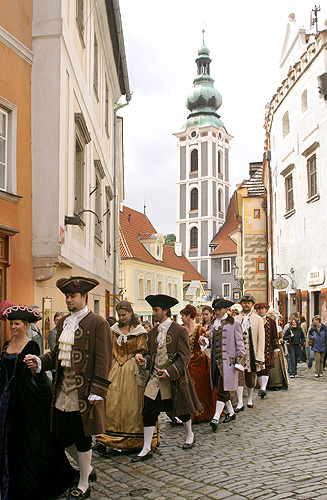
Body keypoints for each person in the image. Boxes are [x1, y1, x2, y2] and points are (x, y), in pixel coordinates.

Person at [24, 276, 112, 500]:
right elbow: (57, 355)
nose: (68, 300)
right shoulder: (63, 322)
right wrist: (41, 360)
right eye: (66, 296)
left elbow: (104, 358)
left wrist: (98, 390)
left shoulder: (97, 323)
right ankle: (88, 469)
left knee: (82, 436)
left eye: (72, 296)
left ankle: (84, 483)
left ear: (84, 297)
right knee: (62, 435)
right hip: (63, 390)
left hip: (85, 391)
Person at [0, 302, 76, 500]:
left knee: (29, 443)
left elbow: (35, 374)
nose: (13, 327)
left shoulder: (31, 345)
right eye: (11, 325)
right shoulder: (6, 345)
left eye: (17, 324)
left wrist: (34, 365)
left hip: (25, 400)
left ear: (26, 325)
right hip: (6, 399)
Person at [132, 294, 200, 462]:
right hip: (155, 380)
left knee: (181, 411)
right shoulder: (153, 332)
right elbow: (151, 356)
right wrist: (143, 360)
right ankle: (146, 447)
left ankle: (190, 434)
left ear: (165, 311)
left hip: (174, 380)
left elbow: (185, 356)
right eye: (153, 310)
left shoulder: (179, 330)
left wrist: (170, 371)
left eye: (156, 310)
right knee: (149, 411)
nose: (153, 313)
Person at [94, 301, 159, 452]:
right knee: (112, 402)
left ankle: (135, 439)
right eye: (119, 315)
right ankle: (107, 437)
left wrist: (139, 355)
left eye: (124, 315)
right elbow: (108, 348)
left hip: (132, 369)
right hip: (115, 368)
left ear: (131, 313)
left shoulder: (140, 331)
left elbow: (144, 350)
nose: (121, 318)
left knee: (132, 403)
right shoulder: (113, 330)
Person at [199, 298, 245, 431]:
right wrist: (205, 341)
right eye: (216, 310)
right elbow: (213, 341)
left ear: (226, 309)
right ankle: (231, 412)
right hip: (215, 361)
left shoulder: (234, 324)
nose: (217, 312)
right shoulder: (213, 324)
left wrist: (239, 362)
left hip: (228, 364)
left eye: (220, 310)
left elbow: (240, 344)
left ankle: (216, 417)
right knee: (221, 387)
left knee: (221, 389)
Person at [180, 304, 216, 423]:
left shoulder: (200, 329)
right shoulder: (182, 330)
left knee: (200, 388)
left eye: (183, 316)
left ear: (189, 316)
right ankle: (185, 413)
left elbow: (204, 344)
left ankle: (200, 412)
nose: (181, 318)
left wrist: (203, 340)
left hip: (199, 362)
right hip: (186, 361)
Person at [235, 294, 265, 410]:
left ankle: (250, 398)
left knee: (251, 376)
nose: (246, 305)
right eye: (244, 303)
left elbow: (261, 339)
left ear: (252, 305)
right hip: (240, 353)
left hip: (252, 352)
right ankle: (240, 401)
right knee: (239, 376)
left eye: (248, 303)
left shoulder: (258, 320)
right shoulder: (236, 319)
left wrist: (260, 356)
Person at [253, 303, 279, 398]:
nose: (260, 311)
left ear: (266, 310)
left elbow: (274, 335)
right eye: (258, 309)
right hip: (257, 348)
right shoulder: (253, 320)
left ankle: (263, 388)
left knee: (267, 368)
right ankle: (261, 387)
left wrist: (276, 348)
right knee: (259, 368)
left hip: (267, 348)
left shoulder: (271, 321)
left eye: (262, 309)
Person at [267, 310, 289, 390]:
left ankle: (277, 382)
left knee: (277, 366)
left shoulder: (278, 328)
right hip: (268, 348)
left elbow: (281, 338)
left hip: (276, 348)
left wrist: (278, 341)